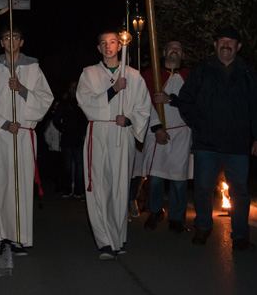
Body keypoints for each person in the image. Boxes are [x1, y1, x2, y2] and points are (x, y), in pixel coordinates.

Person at [177, 25, 257, 251]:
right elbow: (185, 100)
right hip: (206, 143)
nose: (226, 45)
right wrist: (200, 123)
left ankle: (240, 236)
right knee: (203, 188)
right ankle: (203, 226)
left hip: (237, 144)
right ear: (215, 44)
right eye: (222, 41)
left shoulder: (247, 73)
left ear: (238, 46)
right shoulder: (202, 70)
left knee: (239, 191)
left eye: (231, 42)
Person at [0, 26, 54, 257]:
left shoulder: (34, 70)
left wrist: (21, 89)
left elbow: (45, 100)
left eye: (16, 37)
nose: (11, 41)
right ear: (1, 43)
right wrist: (3, 123)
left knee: (20, 187)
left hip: (23, 136)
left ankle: (19, 237)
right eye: (7, 38)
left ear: (22, 42)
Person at [76, 29, 151, 260]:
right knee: (99, 187)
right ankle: (104, 242)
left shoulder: (134, 75)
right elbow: (84, 101)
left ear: (120, 46)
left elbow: (143, 108)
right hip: (98, 133)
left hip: (122, 134)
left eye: (113, 42)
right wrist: (112, 90)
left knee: (120, 187)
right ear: (98, 48)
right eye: (103, 43)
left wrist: (129, 119)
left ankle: (119, 237)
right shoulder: (89, 73)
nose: (108, 46)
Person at [139, 41, 193, 233]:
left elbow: (194, 103)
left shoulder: (190, 77)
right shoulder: (151, 76)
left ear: (183, 54)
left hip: (181, 132)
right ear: (163, 52)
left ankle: (177, 218)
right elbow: (144, 102)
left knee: (179, 178)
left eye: (178, 49)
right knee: (156, 176)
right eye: (171, 48)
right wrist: (157, 128)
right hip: (158, 131)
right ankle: (154, 212)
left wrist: (170, 99)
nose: (174, 51)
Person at [52, 81, 87, 199]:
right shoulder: (64, 103)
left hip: (78, 138)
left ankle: (79, 191)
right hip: (67, 138)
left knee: (79, 166)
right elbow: (56, 119)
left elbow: (87, 119)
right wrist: (63, 129)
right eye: (71, 87)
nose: (73, 90)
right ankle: (67, 190)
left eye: (75, 88)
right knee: (67, 166)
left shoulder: (83, 102)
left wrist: (84, 132)